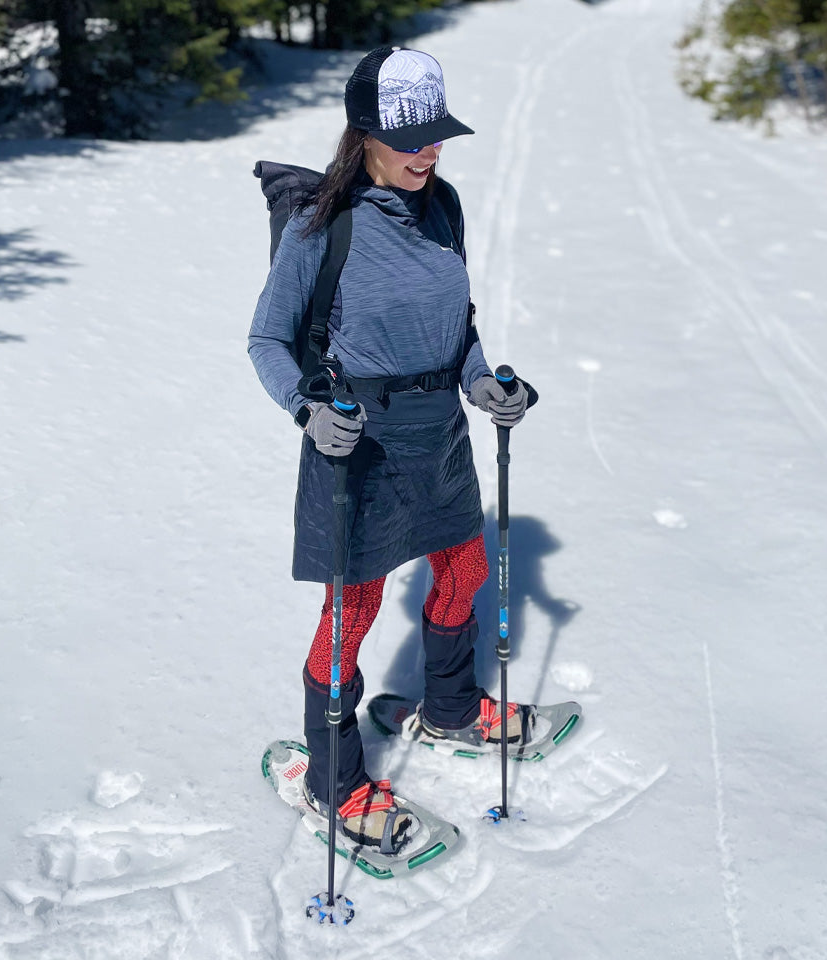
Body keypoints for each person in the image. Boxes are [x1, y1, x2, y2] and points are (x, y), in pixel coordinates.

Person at [248, 45, 532, 856]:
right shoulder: (320, 226)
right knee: (355, 612)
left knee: (467, 570)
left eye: (436, 134)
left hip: (438, 433)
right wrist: (306, 407)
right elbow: (267, 339)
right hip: (357, 444)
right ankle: (333, 784)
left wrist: (484, 383)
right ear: (364, 132)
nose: (428, 151)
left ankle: (447, 710)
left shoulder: (444, 207)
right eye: (411, 138)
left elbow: (458, 325)